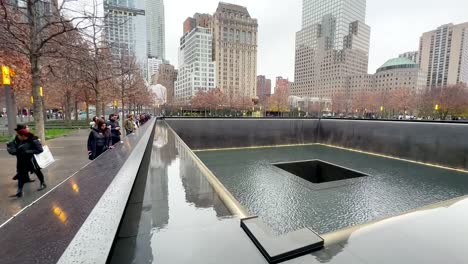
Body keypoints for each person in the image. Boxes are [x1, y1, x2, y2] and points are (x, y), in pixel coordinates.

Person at [8, 126, 46, 198]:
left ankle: (43, 183)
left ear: (23, 136)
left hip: (32, 161)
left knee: (37, 172)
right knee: (21, 175)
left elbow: (40, 150)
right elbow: (15, 148)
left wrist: (28, 151)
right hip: (22, 161)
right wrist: (11, 148)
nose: (17, 136)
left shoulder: (33, 140)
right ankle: (19, 191)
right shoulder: (19, 140)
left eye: (19, 135)